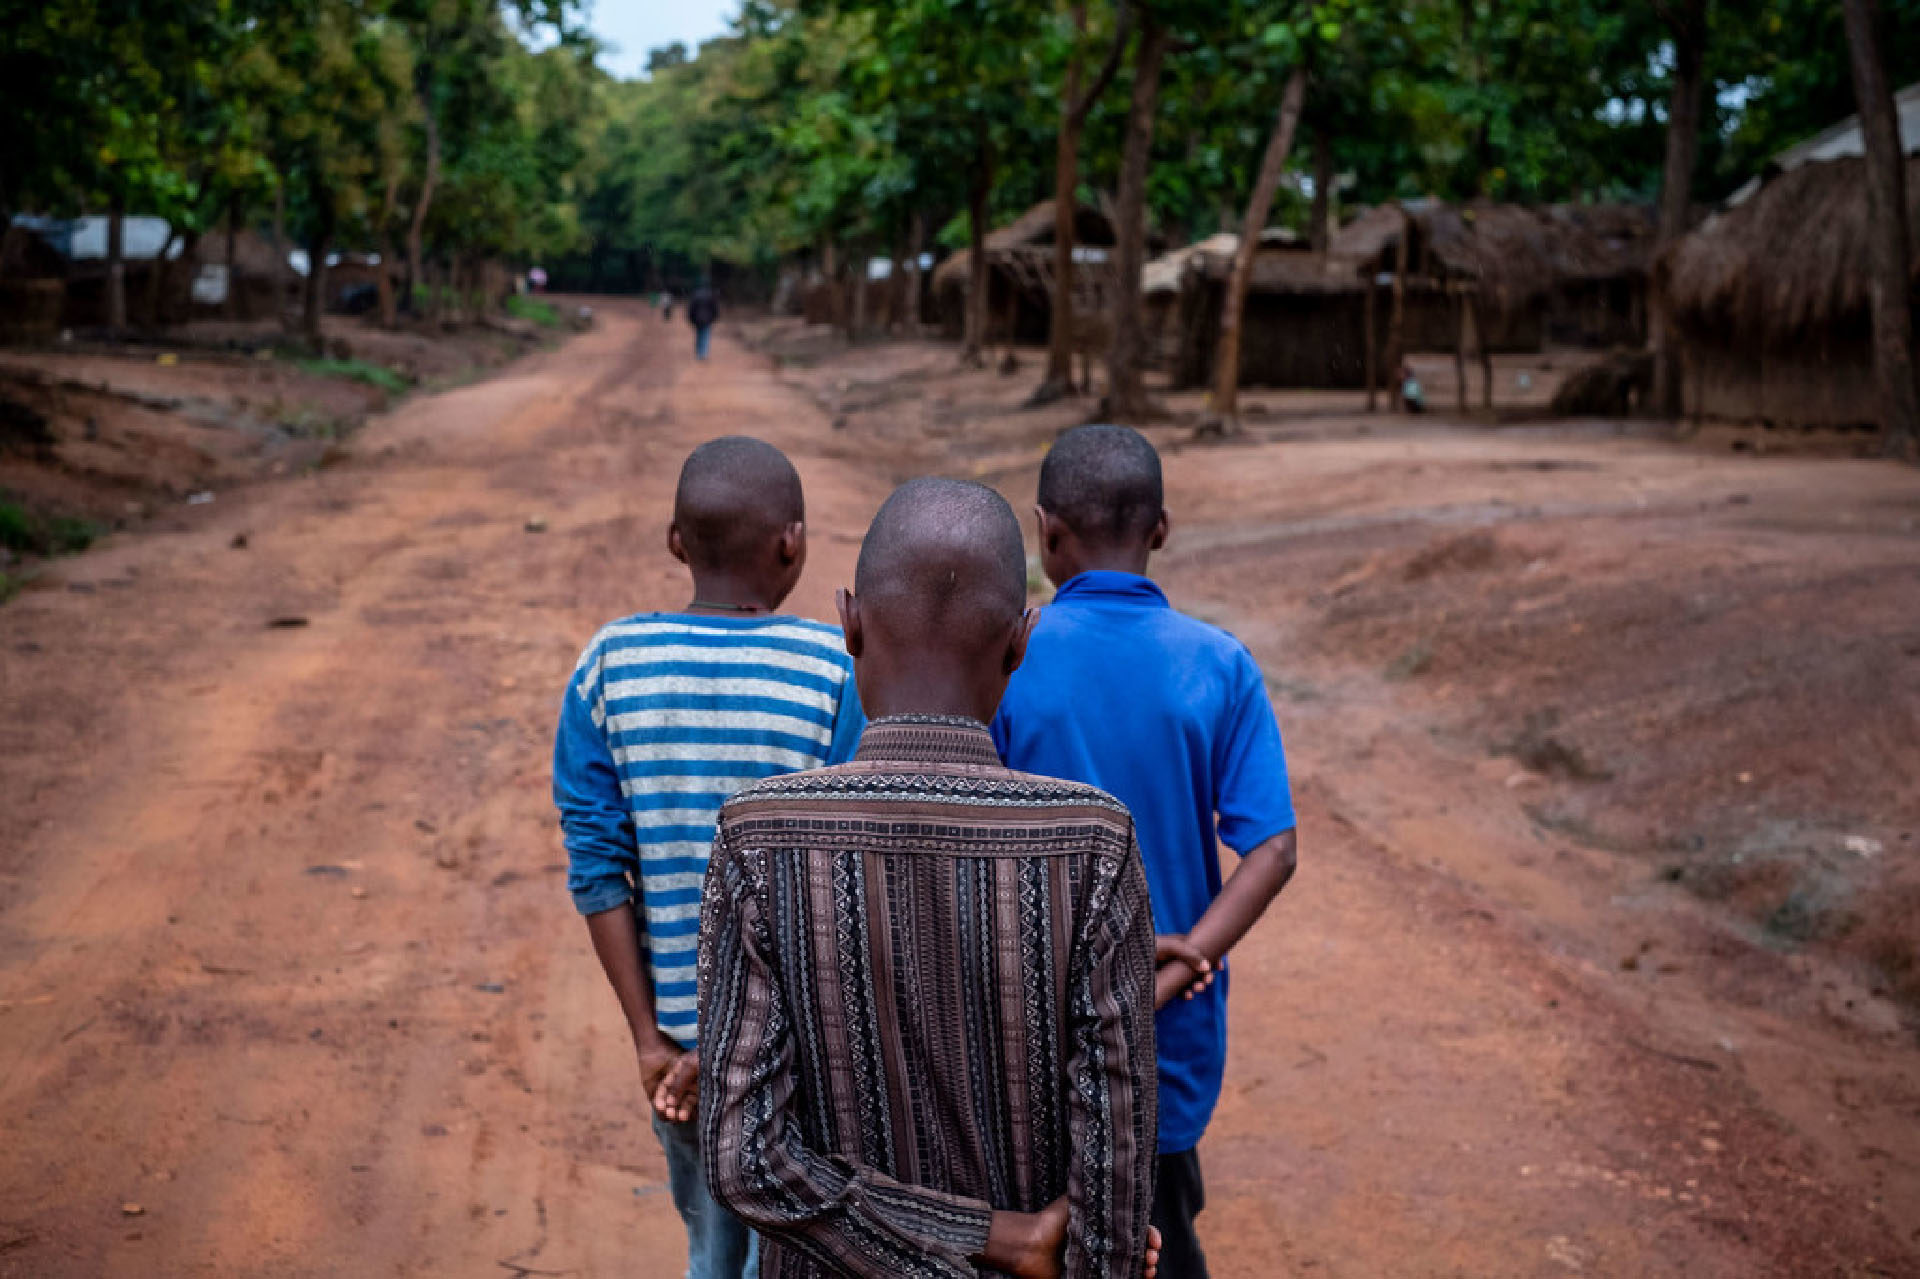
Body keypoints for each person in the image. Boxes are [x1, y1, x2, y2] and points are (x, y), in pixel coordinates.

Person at [698, 478, 1162, 1279]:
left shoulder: (757, 837)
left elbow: (746, 1159)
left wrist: (978, 1235)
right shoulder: (1094, 842)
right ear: (1021, 641)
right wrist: (1001, 1242)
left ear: (848, 623)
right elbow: (1113, 1176)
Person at [552, 436, 865, 1279]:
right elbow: (841, 875)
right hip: (801, 1054)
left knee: (710, 1254)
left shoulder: (609, 666)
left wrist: (652, 1040)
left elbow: (596, 865)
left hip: (679, 1061)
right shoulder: (836, 668)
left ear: (675, 542)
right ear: (792, 543)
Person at [992, 425, 1298, 1279]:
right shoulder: (1219, 664)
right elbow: (1273, 846)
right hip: (1165, 1036)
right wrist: (1185, 957)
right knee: (1154, 1234)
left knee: (1029, 1235)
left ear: (1046, 531)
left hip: (1026, 1020)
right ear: (1161, 528)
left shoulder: (1010, 657)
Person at [687, 283, 719, 361]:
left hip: (697, 319)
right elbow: (715, 308)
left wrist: (690, 319)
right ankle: (703, 353)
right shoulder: (710, 295)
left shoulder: (695, 296)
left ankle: (699, 352)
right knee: (705, 335)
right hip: (707, 319)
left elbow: (691, 308)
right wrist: (715, 317)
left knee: (699, 335)